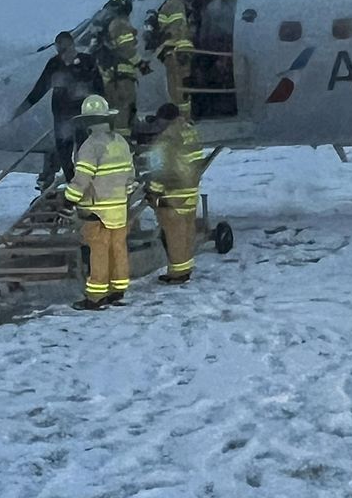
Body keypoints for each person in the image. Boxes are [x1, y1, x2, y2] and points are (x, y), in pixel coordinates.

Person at [63, 95, 136, 310]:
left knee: (99, 251)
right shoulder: (120, 142)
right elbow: (130, 174)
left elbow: (82, 179)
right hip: (119, 208)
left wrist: (69, 199)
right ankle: (117, 289)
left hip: (97, 210)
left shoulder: (90, 146)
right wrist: (124, 195)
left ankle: (95, 297)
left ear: (86, 122)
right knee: (118, 248)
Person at [13, 31, 100, 191]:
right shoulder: (54, 64)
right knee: (64, 152)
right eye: (60, 51)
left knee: (85, 151)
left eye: (65, 50)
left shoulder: (87, 62)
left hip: (83, 115)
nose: (63, 55)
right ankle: (72, 182)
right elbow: (39, 89)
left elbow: (99, 88)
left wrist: (101, 112)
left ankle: (86, 183)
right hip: (62, 117)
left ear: (72, 45)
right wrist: (21, 109)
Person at [144, 102, 209, 284]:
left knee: (174, 234)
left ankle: (177, 274)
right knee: (187, 229)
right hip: (190, 188)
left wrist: (153, 191)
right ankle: (185, 268)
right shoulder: (189, 131)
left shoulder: (165, 140)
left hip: (171, 193)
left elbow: (160, 171)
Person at [95, 0, 140, 138]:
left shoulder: (109, 23)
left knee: (117, 113)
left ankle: (120, 143)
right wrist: (141, 64)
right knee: (124, 111)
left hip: (112, 78)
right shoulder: (120, 24)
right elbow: (127, 49)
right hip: (121, 78)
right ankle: (122, 144)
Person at [156, 0, 198, 119]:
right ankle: (184, 119)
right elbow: (178, 29)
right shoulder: (177, 5)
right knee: (182, 88)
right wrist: (182, 51)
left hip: (171, 53)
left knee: (177, 88)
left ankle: (182, 119)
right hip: (179, 51)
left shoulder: (167, 5)